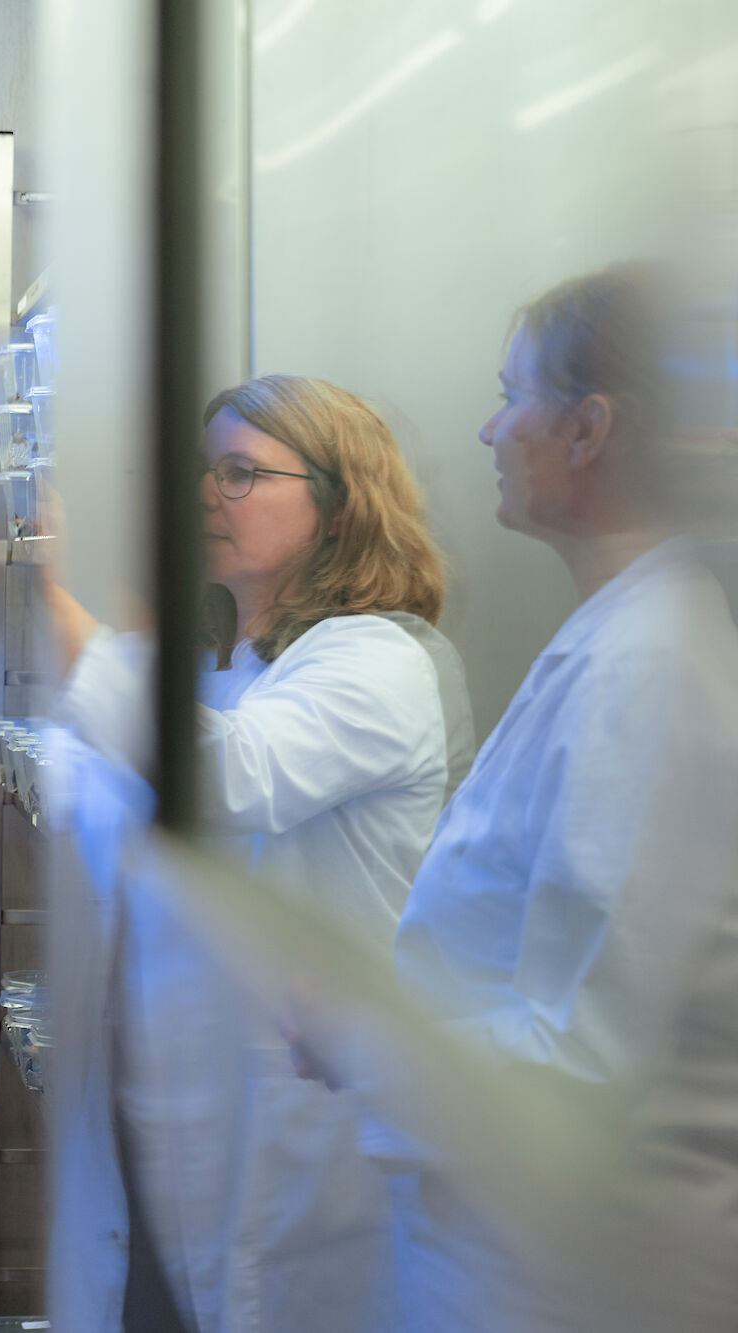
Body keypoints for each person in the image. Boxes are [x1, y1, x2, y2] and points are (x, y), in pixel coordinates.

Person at [48, 374, 473, 1332]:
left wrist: (57, 608)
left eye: (240, 472)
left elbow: (231, 775)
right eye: (205, 470)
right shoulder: (232, 671)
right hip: (184, 1125)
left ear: (339, 505)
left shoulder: (379, 660)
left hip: (307, 1140)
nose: (207, 494)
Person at [381, 265, 738, 1333]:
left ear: (588, 428)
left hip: (579, 1275)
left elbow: (585, 1051)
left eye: (512, 395)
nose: (489, 428)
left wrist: (366, 1034)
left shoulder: (647, 665)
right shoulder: (622, 636)